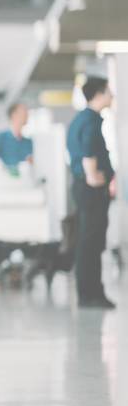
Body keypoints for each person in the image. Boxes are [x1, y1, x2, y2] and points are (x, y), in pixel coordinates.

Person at [66, 76, 116, 309]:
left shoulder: (81, 119)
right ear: (98, 94)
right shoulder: (91, 121)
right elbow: (88, 150)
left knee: (89, 241)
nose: (112, 95)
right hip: (91, 190)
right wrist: (93, 175)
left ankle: (91, 293)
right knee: (91, 242)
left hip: (84, 188)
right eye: (109, 91)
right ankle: (90, 294)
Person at [0, 103, 33, 174]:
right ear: (13, 115)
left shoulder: (28, 142)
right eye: (23, 111)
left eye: (27, 111)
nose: (27, 114)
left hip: (24, 179)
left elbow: (33, 166)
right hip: (3, 179)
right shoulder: (0, 138)